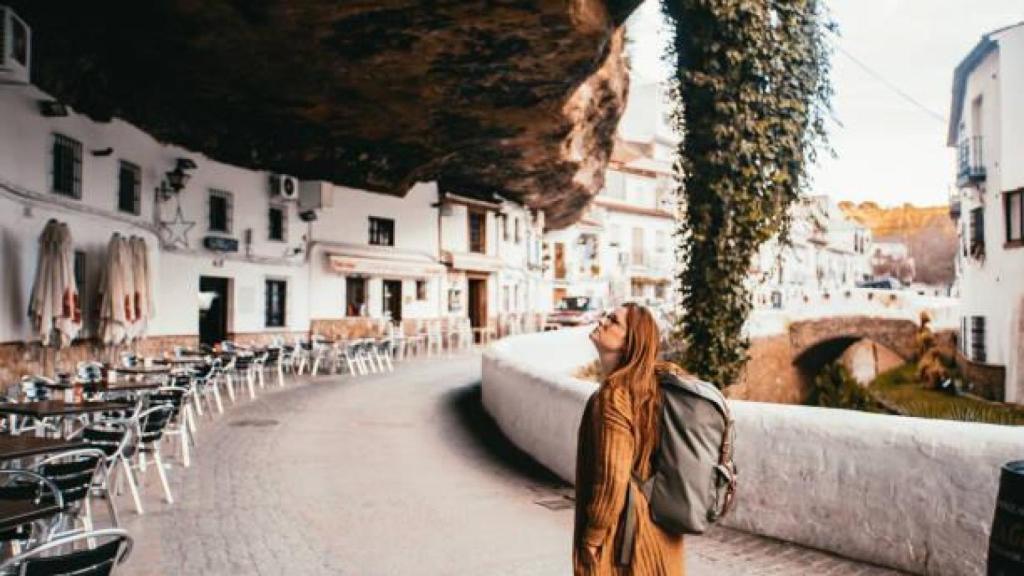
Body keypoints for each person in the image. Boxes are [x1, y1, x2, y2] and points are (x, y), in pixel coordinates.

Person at [573, 303, 684, 575]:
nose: (602, 321)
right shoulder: (652, 388)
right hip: (663, 535)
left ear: (628, 343)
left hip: (628, 542)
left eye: (613, 321)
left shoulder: (614, 396)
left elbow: (612, 480)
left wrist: (592, 538)